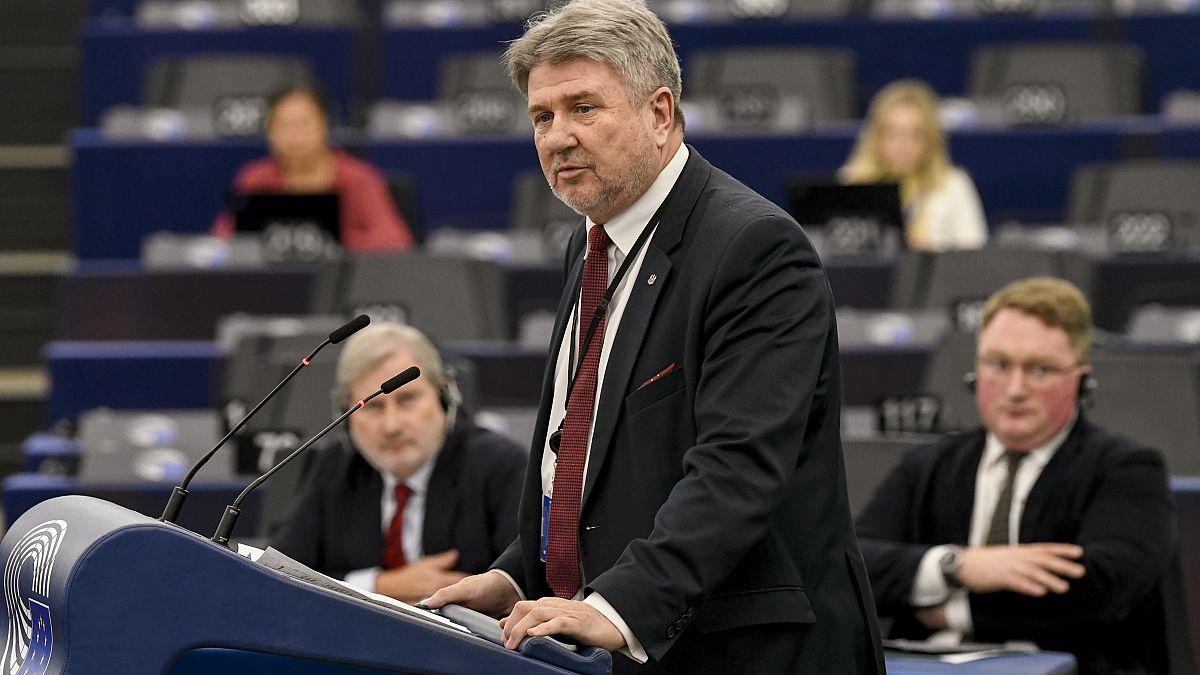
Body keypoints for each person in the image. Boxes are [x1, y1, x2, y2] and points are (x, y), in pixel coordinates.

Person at [425, 1, 884, 672]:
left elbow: (736, 467)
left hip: (754, 653)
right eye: (541, 117)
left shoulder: (753, 247)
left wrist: (616, 606)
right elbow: (605, 460)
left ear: (660, 113)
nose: (556, 137)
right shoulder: (590, 248)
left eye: (584, 108)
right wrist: (522, 576)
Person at [855, 277, 1175, 673]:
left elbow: (1100, 590)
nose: (1015, 388)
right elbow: (854, 564)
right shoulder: (927, 466)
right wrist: (956, 565)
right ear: (976, 370)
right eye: (999, 365)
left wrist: (949, 609)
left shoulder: (1127, 469)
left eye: (1040, 369)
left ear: (1081, 381)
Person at [269, 322, 526, 602]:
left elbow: (524, 580)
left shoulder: (499, 466)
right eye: (374, 406)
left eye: (407, 399)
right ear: (345, 413)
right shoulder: (336, 467)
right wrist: (379, 585)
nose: (391, 426)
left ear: (444, 396)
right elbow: (279, 575)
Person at [211, 85, 416, 252]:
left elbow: (395, 241)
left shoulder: (359, 179)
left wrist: (333, 242)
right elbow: (224, 242)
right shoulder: (254, 179)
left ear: (324, 126)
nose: (294, 135)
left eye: (303, 124)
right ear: (269, 133)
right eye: (283, 125)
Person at [840, 79, 987, 252]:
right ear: (875, 138)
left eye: (915, 134)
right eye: (892, 133)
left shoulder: (954, 184)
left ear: (931, 140)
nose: (903, 145)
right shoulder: (850, 184)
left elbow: (974, 257)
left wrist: (930, 254)